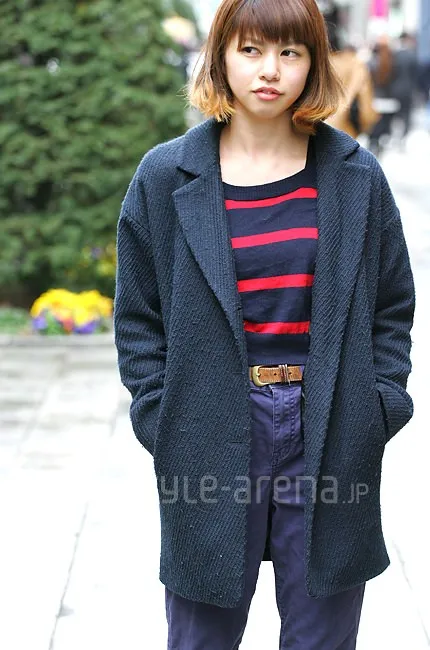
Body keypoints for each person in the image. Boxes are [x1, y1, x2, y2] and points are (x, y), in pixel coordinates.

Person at [114, 0, 415, 648]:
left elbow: (392, 305)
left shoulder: (355, 177)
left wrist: (378, 406)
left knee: (322, 634)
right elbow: (138, 317)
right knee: (201, 633)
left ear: (313, 63)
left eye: (290, 52)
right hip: (210, 420)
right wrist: (162, 416)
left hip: (329, 420)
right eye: (250, 50)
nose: (270, 69)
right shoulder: (166, 176)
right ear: (221, 56)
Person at [324, 18, 379, 138]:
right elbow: (366, 106)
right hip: (344, 131)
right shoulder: (355, 65)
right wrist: (366, 124)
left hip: (310, 131)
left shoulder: (314, 64)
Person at [390, 32, 419, 144]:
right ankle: (403, 136)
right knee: (406, 113)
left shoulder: (395, 55)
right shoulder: (412, 55)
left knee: (395, 112)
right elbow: (416, 75)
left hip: (395, 89)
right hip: (408, 89)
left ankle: (394, 135)